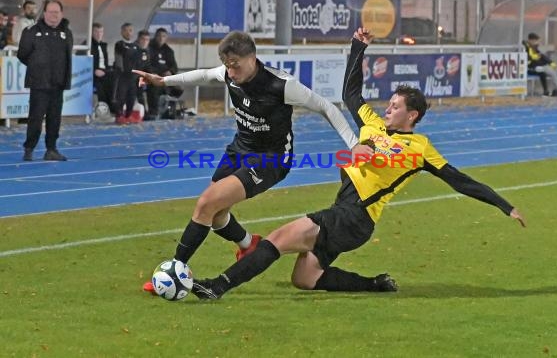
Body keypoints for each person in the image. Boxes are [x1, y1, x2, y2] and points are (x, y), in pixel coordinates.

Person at [186, 28, 526, 300]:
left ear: (413, 115)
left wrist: (503, 205)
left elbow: (458, 180)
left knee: (278, 238)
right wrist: (357, 48)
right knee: (305, 279)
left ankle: (217, 286)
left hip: (356, 216)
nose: (388, 108)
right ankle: (375, 285)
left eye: (395, 106)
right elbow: (351, 94)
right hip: (346, 213)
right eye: (389, 103)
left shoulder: (420, 148)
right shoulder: (372, 125)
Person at [133, 30, 366, 294]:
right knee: (217, 214)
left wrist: (354, 143)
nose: (231, 73)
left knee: (206, 203)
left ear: (252, 58)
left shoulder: (281, 84)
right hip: (239, 149)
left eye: (236, 66)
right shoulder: (228, 74)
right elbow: (203, 74)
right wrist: (162, 81)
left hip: (271, 159)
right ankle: (248, 245)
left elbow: (327, 106)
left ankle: (174, 271)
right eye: (228, 66)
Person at [18, 0, 73, 162]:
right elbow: (22, 54)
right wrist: (37, 67)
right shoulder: (32, 31)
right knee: (35, 117)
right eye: (50, 12)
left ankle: (51, 149)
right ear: (44, 13)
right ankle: (29, 148)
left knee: (54, 118)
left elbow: (67, 57)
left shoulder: (66, 33)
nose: (53, 15)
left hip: (58, 84)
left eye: (56, 12)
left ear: (61, 14)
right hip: (39, 83)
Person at [146, 28, 179, 120]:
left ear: (166, 38)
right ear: (155, 36)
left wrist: (170, 72)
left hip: (165, 77)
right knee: (155, 86)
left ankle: (169, 110)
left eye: (163, 36)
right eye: (159, 36)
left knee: (178, 87)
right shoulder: (149, 48)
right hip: (153, 76)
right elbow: (147, 65)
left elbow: (174, 66)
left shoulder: (169, 50)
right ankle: (153, 112)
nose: (161, 38)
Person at [523, 32, 557, 98]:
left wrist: (551, 63)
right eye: (535, 41)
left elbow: (543, 57)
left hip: (544, 66)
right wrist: (531, 51)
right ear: (531, 40)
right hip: (536, 67)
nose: (537, 42)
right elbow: (530, 58)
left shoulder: (535, 48)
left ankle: (556, 90)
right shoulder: (527, 48)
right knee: (553, 73)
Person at [113, 22, 140, 123]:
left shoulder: (136, 46)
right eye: (126, 30)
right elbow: (118, 59)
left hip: (133, 77)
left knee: (131, 97)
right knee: (121, 96)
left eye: (130, 30)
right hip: (123, 76)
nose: (128, 33)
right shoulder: (119, 44)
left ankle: (128, 115)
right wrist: (121, 71)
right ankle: (119, 115)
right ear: (122, 32)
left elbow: (138, 61)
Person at [90, 23, 112, 106]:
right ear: (91, 32)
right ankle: (103, 107)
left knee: (117, 80)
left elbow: (106, 63)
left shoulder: (104, 45)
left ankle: (114, 108)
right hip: (93, 73)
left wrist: (106, 70)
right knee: (101, 85)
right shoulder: (88, 44)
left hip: (104, 71)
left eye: (101, 32)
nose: (99, 34)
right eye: (96, 31)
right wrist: (94, 70)